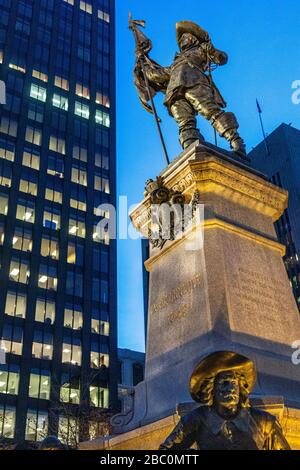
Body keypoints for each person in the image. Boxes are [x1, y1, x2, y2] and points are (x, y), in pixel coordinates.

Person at [134, 21, 247, 158]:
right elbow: (157, 75)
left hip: (195, 82)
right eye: (180, 39)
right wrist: (142, 63)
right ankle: (192, 148)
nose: (182, 41)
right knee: (184, 122)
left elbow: (221, 58)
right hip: (175, 92)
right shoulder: (175, 62)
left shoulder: (200, 49)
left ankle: (237, 142)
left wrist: (212, 51)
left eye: (184, 37)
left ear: (192, 38)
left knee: (210, 111)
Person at [160, 351, 291, 450]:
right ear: (211, 389)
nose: (230, 389)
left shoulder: (265, 422)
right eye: (223, 383)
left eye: (234, 383)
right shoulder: (195, 419)